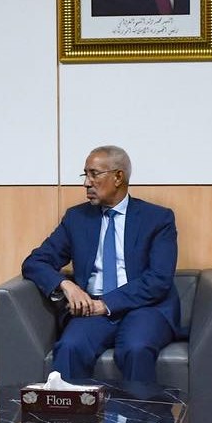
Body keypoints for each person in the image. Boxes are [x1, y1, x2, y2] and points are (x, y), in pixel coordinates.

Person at [21, 145, 182, 387]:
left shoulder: (157, 219)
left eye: (94, 174)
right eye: (85, 174)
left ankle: (138, 413)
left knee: (136, 348)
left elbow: (158, 279)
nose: (86, 183)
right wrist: (66, 285)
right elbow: (35, 262)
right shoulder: (77, 218)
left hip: (145, 308)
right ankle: (69, 412)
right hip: (91, 307)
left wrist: (105, 304)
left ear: (118, 177)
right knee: (69, 347)